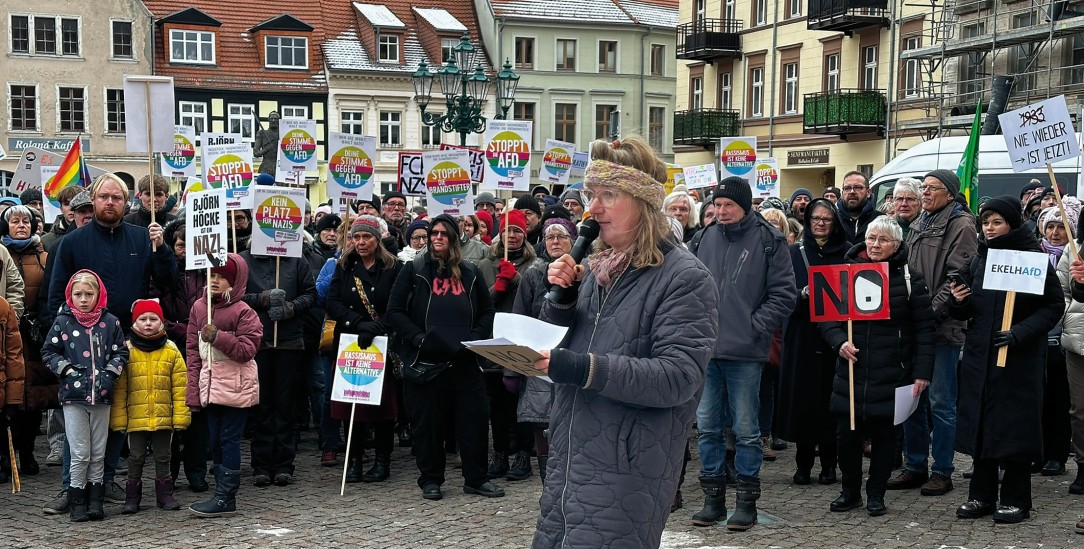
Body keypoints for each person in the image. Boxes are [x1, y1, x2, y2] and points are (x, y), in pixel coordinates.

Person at [532, 136, 719, 547]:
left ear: (645, 203)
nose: (592, 209)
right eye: (591, 194)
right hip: (570, 456)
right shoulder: (598, 268)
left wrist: (583, 368)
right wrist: (561, 302)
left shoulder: (685, 278)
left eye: (608, 195)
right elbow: (565, 343)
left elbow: (678, 377)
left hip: (626, 467)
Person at [949, 196, 1062, 523]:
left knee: (1013, 428)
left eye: (996, 222)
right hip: (979, 358)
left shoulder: (1032, 258)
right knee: (983, 425)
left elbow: (1053, 306)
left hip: (1018, 360)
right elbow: (969, 309)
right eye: (985, 223)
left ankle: (1016, 499)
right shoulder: (980, 259)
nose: (989, 228)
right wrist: (959, 302)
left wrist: (1019, 333)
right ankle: (981, 495)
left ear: (1011, 223)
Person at [692, 176, 796, 531]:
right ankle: (713, 499)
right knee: (707, 428)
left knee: (747, 430)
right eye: (717, 205)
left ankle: (747, 502)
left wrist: (754, 326)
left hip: (747, 353)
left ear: (745, 206)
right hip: (707, 350)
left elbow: (785, 294)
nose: (720, 211)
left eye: (728, 206)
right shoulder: (704, 237)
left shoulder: (770, 239)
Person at [819, 217, 935, 516]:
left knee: (885, 438)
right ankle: (850, 491)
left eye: (883, 240)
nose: (875, 245)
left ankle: (876, 493)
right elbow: (828, 319)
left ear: (896, 245)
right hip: (852, 370)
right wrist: (838, 342)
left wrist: (922, 372)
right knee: (847, 436)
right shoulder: (845, 273)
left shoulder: (912, 279)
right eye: (872, 238)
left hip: (892, 371)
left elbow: (924, 330)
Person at [386, 214, 503, 501]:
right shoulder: (413, 270)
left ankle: (476, 478)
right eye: (433, 233)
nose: (437, 238)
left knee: (474, 421)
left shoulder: (470, 272)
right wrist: (418, 339)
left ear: (454, 238)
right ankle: (431, 479)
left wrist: (474, 339)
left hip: (464, 360)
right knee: (428, 424)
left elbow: (488, 311)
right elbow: (395, 311)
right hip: (426, 362)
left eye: (443, 234)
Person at [892, 169, 977, 496]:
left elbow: (957, 278)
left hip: (941, 329)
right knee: (913, 398)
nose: (924, 194)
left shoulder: (962, 225)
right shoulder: (919, 223)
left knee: (941, 403)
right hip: (915, 324)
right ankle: (915, 465)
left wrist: (927, 314)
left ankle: (942, 470)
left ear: (951, 194)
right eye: (923, 188)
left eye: (932, 189)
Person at [43, 270, 129, 522]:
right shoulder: (63, 322)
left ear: (98, 295)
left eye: (88, 294)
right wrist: (67, 370)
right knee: (80, 451)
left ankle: (96, 499)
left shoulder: (110, 322)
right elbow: (49, 351)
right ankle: (77, 498)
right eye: (77, 294)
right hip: (73, 397)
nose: (83, 299)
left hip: (101, 395)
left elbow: (121, 352)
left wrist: (109, 374)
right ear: (70, 295)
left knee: (98, 451)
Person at [776, 198, 850, 486]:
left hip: (835, 336)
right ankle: (803, 463)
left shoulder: (846, 253)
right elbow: (782, 293)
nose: (821, 223)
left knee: (831, 400)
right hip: (802, 334)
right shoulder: (794, 253)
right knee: (803, 400)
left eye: (827, 219)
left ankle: (830, 465)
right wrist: (801, 295)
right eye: (816, 219)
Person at [326, 216, 403, 483]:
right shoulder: (344, 266)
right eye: (356, 237)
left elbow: (398, 305)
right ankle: (354, 459)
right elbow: (332, 301)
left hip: (381, 345)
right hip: (350, 344)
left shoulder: (393, 267)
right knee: (352, 404)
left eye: (366, 237)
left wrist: (377, 327)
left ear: (377, 239)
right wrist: (358, 323)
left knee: (382, 408)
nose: (360, 242)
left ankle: (383, 461)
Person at [186, 254, 262, 517]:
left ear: (235, 281)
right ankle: (221, 493)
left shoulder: (244, 312)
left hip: (236, 387)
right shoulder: (198, 307)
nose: (215, 281)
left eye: (222, 277)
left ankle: (226, 496)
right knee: (215, 442)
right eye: (212, 275)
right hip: (210, 386)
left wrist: (218, 337)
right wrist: (193, 392)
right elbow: (193, 352)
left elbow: (246, 350)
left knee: (229, 441)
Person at [239, 235, 317, 487]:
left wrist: (290, 308)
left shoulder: (296, 258)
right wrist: (261, 299)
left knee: (285, 403)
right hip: (257, 341)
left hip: (289, 342)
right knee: (261, 405)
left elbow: (310, 294)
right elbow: (235, 295)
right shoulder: (244, 259)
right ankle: (261, 464)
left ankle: (284, 464)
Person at [511, 217, 576, 486]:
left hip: (573, 357)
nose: (555, 242)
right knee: (541, 423)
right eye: (550, 237)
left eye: (561, 237)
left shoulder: (586, 272)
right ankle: (548, 484)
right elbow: (519, 317)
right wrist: (512, 367)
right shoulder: (534, 274)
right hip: (538, 359)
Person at [110, 299, 190, 514]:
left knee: (164, 456)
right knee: (136, 457)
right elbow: (120, 390)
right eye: (142, 319)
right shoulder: (126, 351)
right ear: (134, 323)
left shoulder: (171, 351)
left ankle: (165, 495)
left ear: (162, 323)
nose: (147, 323)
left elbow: (181, 387)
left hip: (163, 417)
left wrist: (181, 417)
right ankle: (132, 498)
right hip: (136, 417)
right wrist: (119, 419)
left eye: (153, 319)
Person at [476, 209, 537, 481]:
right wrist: (497, 286)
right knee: (497, 405)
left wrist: (516, 280)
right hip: (494, 341)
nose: (511, 236)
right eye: (507, 231)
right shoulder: (485, 265)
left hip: (522, 340)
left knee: (520, 402)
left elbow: (538, 302)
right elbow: (478, 304)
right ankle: (499, 452)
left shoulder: (535, 266)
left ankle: (523, 453)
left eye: (518, 231)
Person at [157, 220, 210, 493]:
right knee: (170, 414)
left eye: (191, 245)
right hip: (171, 347)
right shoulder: (162, 274)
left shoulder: (210, 273)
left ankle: (196, 470)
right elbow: (154, 312)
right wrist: (183, 329)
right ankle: (169, 472)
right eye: (180, 245)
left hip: (200, 352)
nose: (186, 251)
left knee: (198, 416)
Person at [1038, 202, 1079, 476]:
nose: (1054, 233)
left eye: (1061, 227)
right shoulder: (1034, 254)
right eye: (1050, 227)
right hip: (1037, 335)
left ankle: (1057, 454)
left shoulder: (1074, 257)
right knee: (1037, 398)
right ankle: (1037, 452)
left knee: (1060, 399)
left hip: (1063, 335)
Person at [836, 171, 883, 242]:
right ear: (842, 193)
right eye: (847, 188)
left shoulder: (881, 220)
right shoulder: (833, 219)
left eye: (857, 187)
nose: (852, 192)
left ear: (868, 192)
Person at [41, 186, 83, 253]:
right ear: (61, 209)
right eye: (67, 204)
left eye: (75, 203)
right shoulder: (46, 241)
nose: (71, 208)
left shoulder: (94, 236)